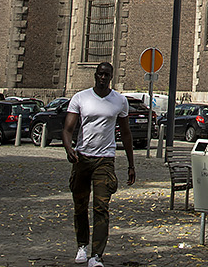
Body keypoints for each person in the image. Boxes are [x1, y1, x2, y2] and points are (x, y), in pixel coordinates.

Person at [62, 62, 135, 267]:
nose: (103, 78)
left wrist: (131, 164)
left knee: (101, 206)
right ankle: (82, 245)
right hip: (82, 158)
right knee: (80, 205)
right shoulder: (80, 98)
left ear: (111, 77)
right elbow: (68, 129)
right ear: (95, 75)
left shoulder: (120, 101)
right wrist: (69, 148)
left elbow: (126, 133)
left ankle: (96, 255)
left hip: (105, 159)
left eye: (106, 75)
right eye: (100, 74)